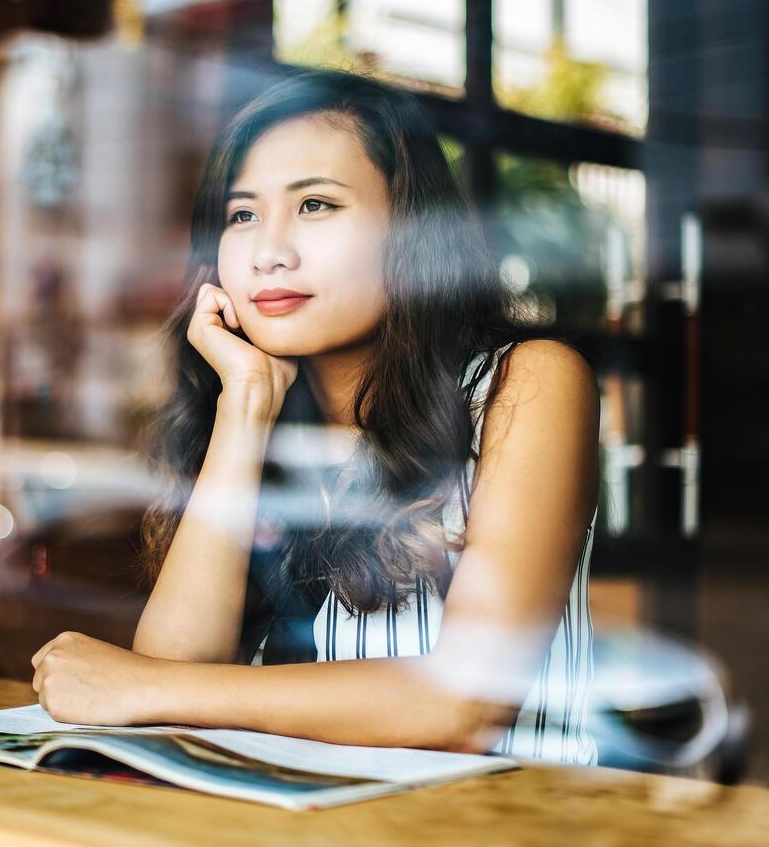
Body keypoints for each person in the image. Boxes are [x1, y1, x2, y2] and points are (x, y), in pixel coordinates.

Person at [30, 68, 600, 762]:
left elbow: (462, 702)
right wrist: (245, 403)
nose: (269, 251)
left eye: (316, 206)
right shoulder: (262, 426)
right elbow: (176, 662)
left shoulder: (525, 383)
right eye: (242, 215)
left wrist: (140, 687)